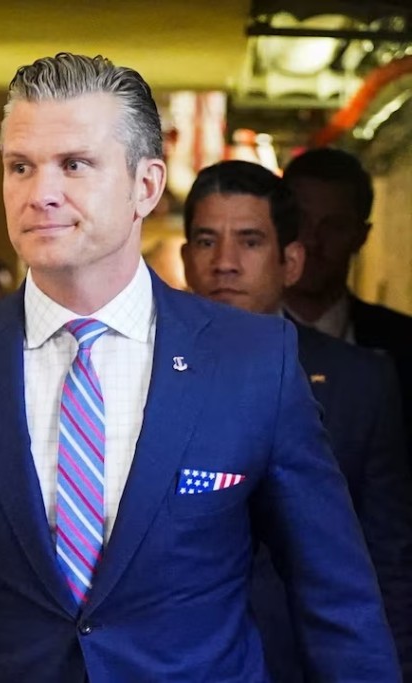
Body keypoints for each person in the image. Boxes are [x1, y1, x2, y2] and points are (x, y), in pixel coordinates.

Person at [0, 53, 400, 682]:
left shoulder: (253, 363)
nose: (41, 193)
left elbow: (336, 603)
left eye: (74, 165)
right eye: (21, 166)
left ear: (145, 186)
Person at [180, 159, 412, 681]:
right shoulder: (139, 367)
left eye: (250, 241)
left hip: (305, 660)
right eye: (205, 241)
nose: (225, 263)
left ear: (291, 261)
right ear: (185, 258)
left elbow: (388, 559)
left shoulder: (361, 380)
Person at [283, 147, 412, 466]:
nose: (313, 241)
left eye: (334, 226)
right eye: (301, 222)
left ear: (361, 236)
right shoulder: (236, 340)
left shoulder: (405, 348)